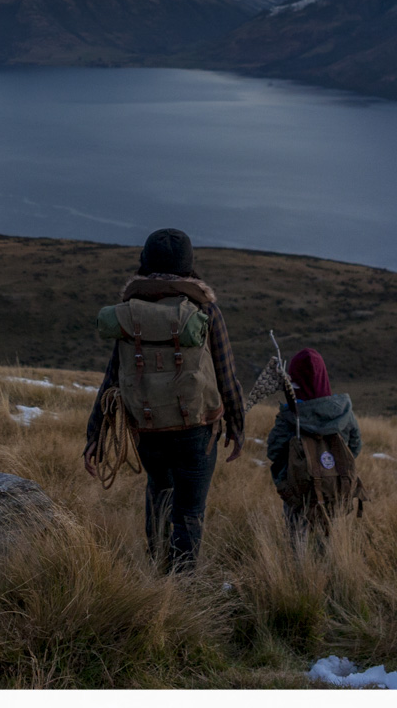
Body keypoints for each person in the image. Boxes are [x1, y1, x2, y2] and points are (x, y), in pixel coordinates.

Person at [82, 227, 245, 572]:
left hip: (146, 429)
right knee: (189, 511)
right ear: (189, 266)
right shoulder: (205, 311)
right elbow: (226, 374)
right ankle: (181, 588)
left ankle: (157, 568)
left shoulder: (130, 312)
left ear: (144, 262)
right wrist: (238, 428)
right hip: (197, 431)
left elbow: (112, 378)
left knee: (159, 492)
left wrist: (94, 436)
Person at [264, 347, 363, 547]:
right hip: (334, 487)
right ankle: (331, 571)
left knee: (297, 537)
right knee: (331, 537)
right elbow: (355, 445)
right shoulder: (342, 411)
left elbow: (273, 450)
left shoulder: (290, 416)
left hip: (298, 491)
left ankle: (299, 573)